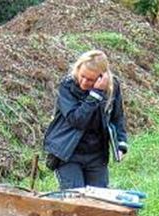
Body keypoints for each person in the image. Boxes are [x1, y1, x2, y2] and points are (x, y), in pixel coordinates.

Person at [42, 50, 128, 190]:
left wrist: (121, 144)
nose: (84, 82)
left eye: (90, 80)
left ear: (102, 78)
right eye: (82, 76)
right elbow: (77, 120)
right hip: (68, 153)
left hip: (97, 154)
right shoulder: (67, 86)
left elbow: (117, 117)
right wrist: (95, 95)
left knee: (98, 198)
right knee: (76, 196)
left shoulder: (113, 87)